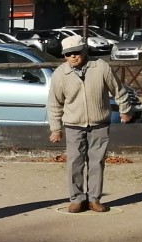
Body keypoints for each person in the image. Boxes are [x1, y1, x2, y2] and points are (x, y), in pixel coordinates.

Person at [47, 34, 133, 213]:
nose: (73, 56)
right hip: (73, 124)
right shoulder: (60, 74)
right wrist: (55, 129)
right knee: (74, 163)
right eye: (68, 54)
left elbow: (118, 89)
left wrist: (125, 110)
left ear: (84, 51)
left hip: (99, 122)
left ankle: (94, 199)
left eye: (76, 52)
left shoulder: (101, 67)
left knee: (97, 162)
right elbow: (54, 103)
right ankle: (77, 199)